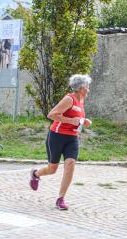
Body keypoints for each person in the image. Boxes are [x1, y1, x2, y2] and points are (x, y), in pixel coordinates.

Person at [29, 74, 92, 210]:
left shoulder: (81, 101)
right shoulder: (69, 99)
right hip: (57, 136)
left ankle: (60, 199)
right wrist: (70, 121)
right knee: (52, 169)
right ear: (81, 88)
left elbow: (77, 119)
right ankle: (36, 174)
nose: (88, 89)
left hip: (72, 138)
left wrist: (83, 121)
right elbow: (51, 114)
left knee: (70, 164)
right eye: (87, 87)